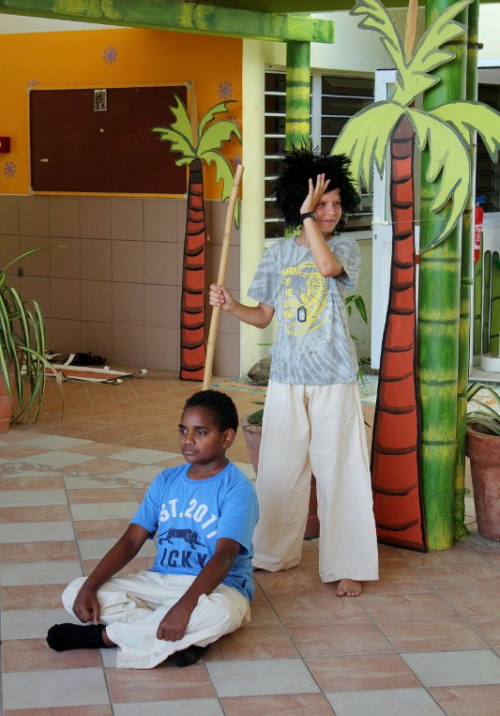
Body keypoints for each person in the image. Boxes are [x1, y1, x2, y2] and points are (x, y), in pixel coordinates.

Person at [209, 147, 378, 597]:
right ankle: (271, 553)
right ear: (297, 202)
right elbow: (263, 316)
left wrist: (308, 217)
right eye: (322, 203)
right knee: (280, 469)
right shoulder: (278, 253)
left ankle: (348, 564)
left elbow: (326, 267)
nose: (331, 211)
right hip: (286, 376)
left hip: (333, 376)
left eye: (336, 203)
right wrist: (231, 306)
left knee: (340, 469)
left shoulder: (343, 247)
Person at [46, 390, 259, 669]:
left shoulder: (237, 489)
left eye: (200, 432)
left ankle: (105, 637)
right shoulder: (166, 480)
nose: (188, 440)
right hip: (161, 581)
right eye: (183, 430)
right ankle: (182, 639)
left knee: (222, 613)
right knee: (74, 592)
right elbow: (131, 539)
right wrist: (90, 586)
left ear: (227, 438)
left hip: (217, 588)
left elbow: (225, 556)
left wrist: (185, 606)